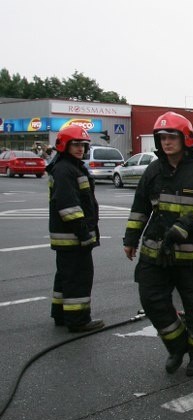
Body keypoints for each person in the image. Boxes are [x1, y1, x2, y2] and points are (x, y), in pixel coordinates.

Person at [123, 112, 193, 377]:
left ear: (185, 139)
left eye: (172, 137)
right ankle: (177, 345)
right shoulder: (154, 170)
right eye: (163, 137)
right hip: (155, 251)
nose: (167, 142)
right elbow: (140, 208)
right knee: (151, 299)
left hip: (190, 254)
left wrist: (183, 227)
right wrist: (130, 239)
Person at [47, 125, 104, 332]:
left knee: (65, 276)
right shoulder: (66, 169)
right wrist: (84, 233)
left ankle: (61, 314)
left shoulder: (68, 166)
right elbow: (69, 207)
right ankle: (78, 320)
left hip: (67, 237)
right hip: (73, 236)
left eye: (82, 144)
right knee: (79, 277)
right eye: (75, 144)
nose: (80, 148)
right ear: (65, 145)